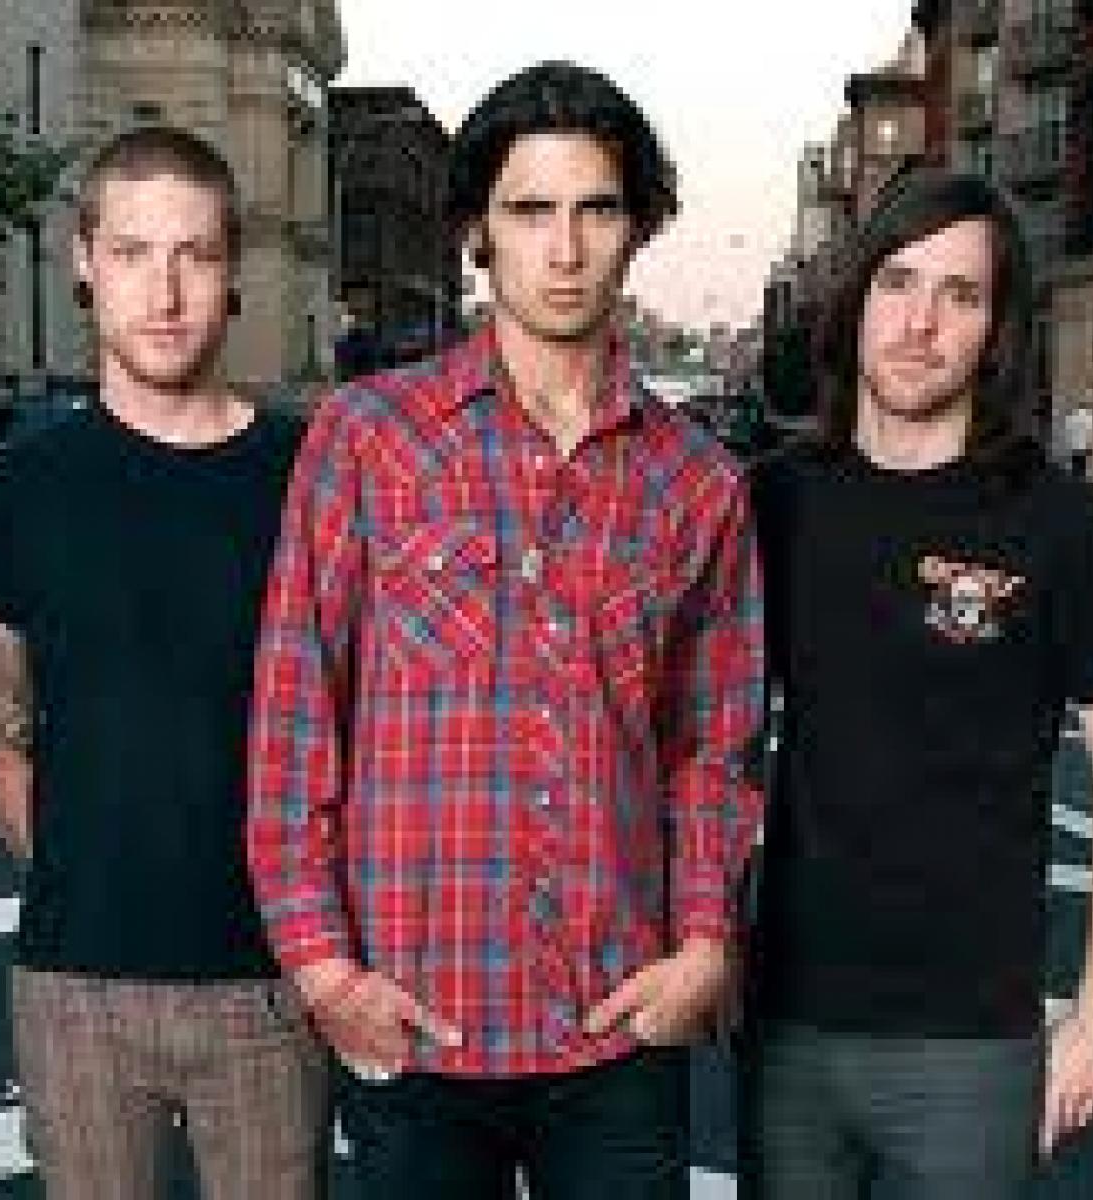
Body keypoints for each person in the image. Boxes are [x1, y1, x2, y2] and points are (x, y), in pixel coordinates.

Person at [247, 60, 766, 1199]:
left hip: (619, 1027)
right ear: (477, 232)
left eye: (597, 209)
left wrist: (702, 949)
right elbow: (295, 724)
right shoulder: (366, 439)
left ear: (638, 228)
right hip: (414, 1021)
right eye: (530, 211)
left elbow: (713, 750)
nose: (564, 249)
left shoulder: (697, 483)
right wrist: (325, 973)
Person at [742, 169, 1093, 1199]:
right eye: (897, 282)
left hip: (970, 1047)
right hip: (786, 1027)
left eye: (959, 294)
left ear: (995, 330)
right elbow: (696, 735)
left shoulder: (1066, 525)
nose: (920, 322)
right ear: (855, 302)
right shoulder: (768, 503)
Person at [0, 127, 328, 1200]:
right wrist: (96, 883)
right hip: (77, 981)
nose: (163, 292)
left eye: (194, 255)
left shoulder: (311, 477)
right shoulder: (9, 494)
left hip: (273, 981)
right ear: (83, 260)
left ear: (232, 269)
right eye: (131, 253)